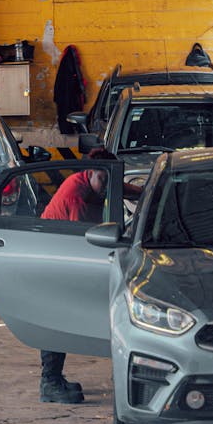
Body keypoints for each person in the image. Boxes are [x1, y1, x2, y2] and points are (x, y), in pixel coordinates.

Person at [38, 148, 142, 404]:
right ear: (90, 173)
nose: (107, 188)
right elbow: (87, 241)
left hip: (61, 254)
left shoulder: (98, 181)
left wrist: (150, 191)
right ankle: (49, 383)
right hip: (54, 258)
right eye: (103, 181)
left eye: (110, 181)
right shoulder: (79, 196)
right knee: (57, 318)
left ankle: (53, 379)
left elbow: (122, 189)